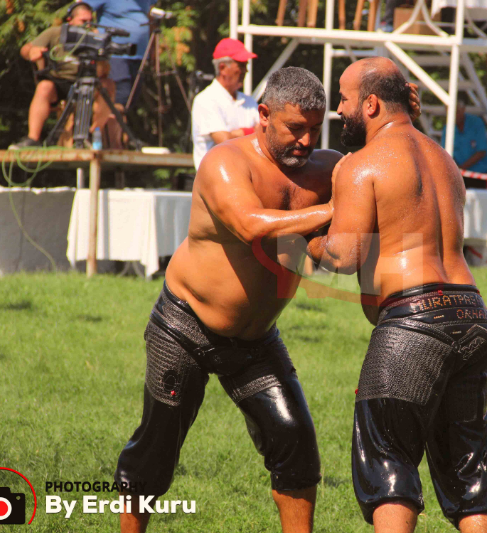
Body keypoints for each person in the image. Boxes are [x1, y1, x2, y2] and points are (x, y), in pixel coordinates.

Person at [114, 67, 341, 533]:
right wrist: (333, 210)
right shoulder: (224, 162)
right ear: (263, 114)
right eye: (294, 128)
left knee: (295, 440)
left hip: (256, 341)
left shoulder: (327, 168)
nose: (305, 140)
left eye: (314, 129)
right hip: (185, 326)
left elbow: (382, 171)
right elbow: (251, 225)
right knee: (156, 452)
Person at [308, 57, 487, 533]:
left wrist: (303, 236)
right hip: (472, 314)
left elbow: (344, 256)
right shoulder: (444, 159)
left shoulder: (362, 164)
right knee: (468, 471)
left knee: (388, 461)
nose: (339, 111)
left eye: (345, 100)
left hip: (412, 322)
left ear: (370, 104)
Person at [9, 2, 115, 149]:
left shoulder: (95, 38)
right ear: (70, 20)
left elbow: (103, 72)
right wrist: (32, 52)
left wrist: (100, 52)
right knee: (44, 87)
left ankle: (92, 134)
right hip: (60, 82)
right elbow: (26, 49)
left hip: (86, 82)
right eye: (83, 21)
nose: (87, 26)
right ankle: (33, 138)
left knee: (108, 85)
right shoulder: (56, 33)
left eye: (90, 22)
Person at [191, 38, 260, 170]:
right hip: (214, 181)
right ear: (222, 68)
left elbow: (267, 135)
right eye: (241, 65)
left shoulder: (249, 101)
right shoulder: (206, 100)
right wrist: (251, 132)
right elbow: (224, 142)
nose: (246, 71)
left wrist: (236, 134)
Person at [83, 0, 156, 107]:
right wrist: (93, 34)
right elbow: (80, 10)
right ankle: (100, 123)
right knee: (121, 93)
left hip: (139, 54)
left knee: (132, 98)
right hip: (114, 54)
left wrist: (153, 48)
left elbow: (150, 17)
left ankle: (114, 122)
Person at [441, 94, 487, 189]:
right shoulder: (447, 128)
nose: (454, 115)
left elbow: (481, 151)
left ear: (463, 110)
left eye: (457, 112)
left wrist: (461, 168)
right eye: (451, 113)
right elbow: (445, 153)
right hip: (462, 176)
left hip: (482, 173)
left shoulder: (476, 123)